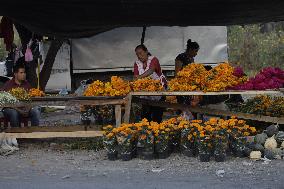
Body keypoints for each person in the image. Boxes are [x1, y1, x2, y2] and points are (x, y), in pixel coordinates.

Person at [1, 57, 40, 127]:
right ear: (15, 74)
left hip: (24, 108)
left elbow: (30, 99)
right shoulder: (8, 85)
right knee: (14, 113)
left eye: (24, 72)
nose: (24, 74)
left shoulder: (27, 84)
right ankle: (17, 134)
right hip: (10, 108)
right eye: (21, 72)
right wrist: (18, 110)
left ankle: (35, 133)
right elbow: (4, 102)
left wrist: (28, 109)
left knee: (36, 111)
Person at [134, 44, 167, 123]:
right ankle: (147, 133)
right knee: (145, 117)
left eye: (141, 53)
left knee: (157, 117)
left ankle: (157, 132)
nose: (139, 56)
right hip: (145, 94)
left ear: (146, 52)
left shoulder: (153, 59)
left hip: (159, 91)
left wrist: (140, 77)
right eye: (137, 54)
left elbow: (151, 70)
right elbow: (136, 77)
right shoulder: (137, 63)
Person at [175, 39, 200, 114]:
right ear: (190, 50)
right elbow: (177, 73)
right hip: (182, 86)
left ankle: (190, 122)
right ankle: (183, 122)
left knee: (191, 106)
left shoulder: (191, 59)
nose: (196, 54)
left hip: (190, 86)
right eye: (195, 51)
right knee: (183, 107)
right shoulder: (180, 57)